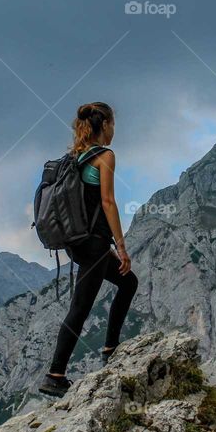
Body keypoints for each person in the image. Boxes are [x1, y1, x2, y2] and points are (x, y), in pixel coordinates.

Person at [39, 102, 138, 397]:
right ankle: (55, 375)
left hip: (76, 243)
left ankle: (110, 347)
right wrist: (121, 247)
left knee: (128, 283)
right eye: (113, 125)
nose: (114, 132)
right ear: (105, 124)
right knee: (80, 309)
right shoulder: (105, 156)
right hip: (94, 244)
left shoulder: (74, 157)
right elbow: (108, 202)